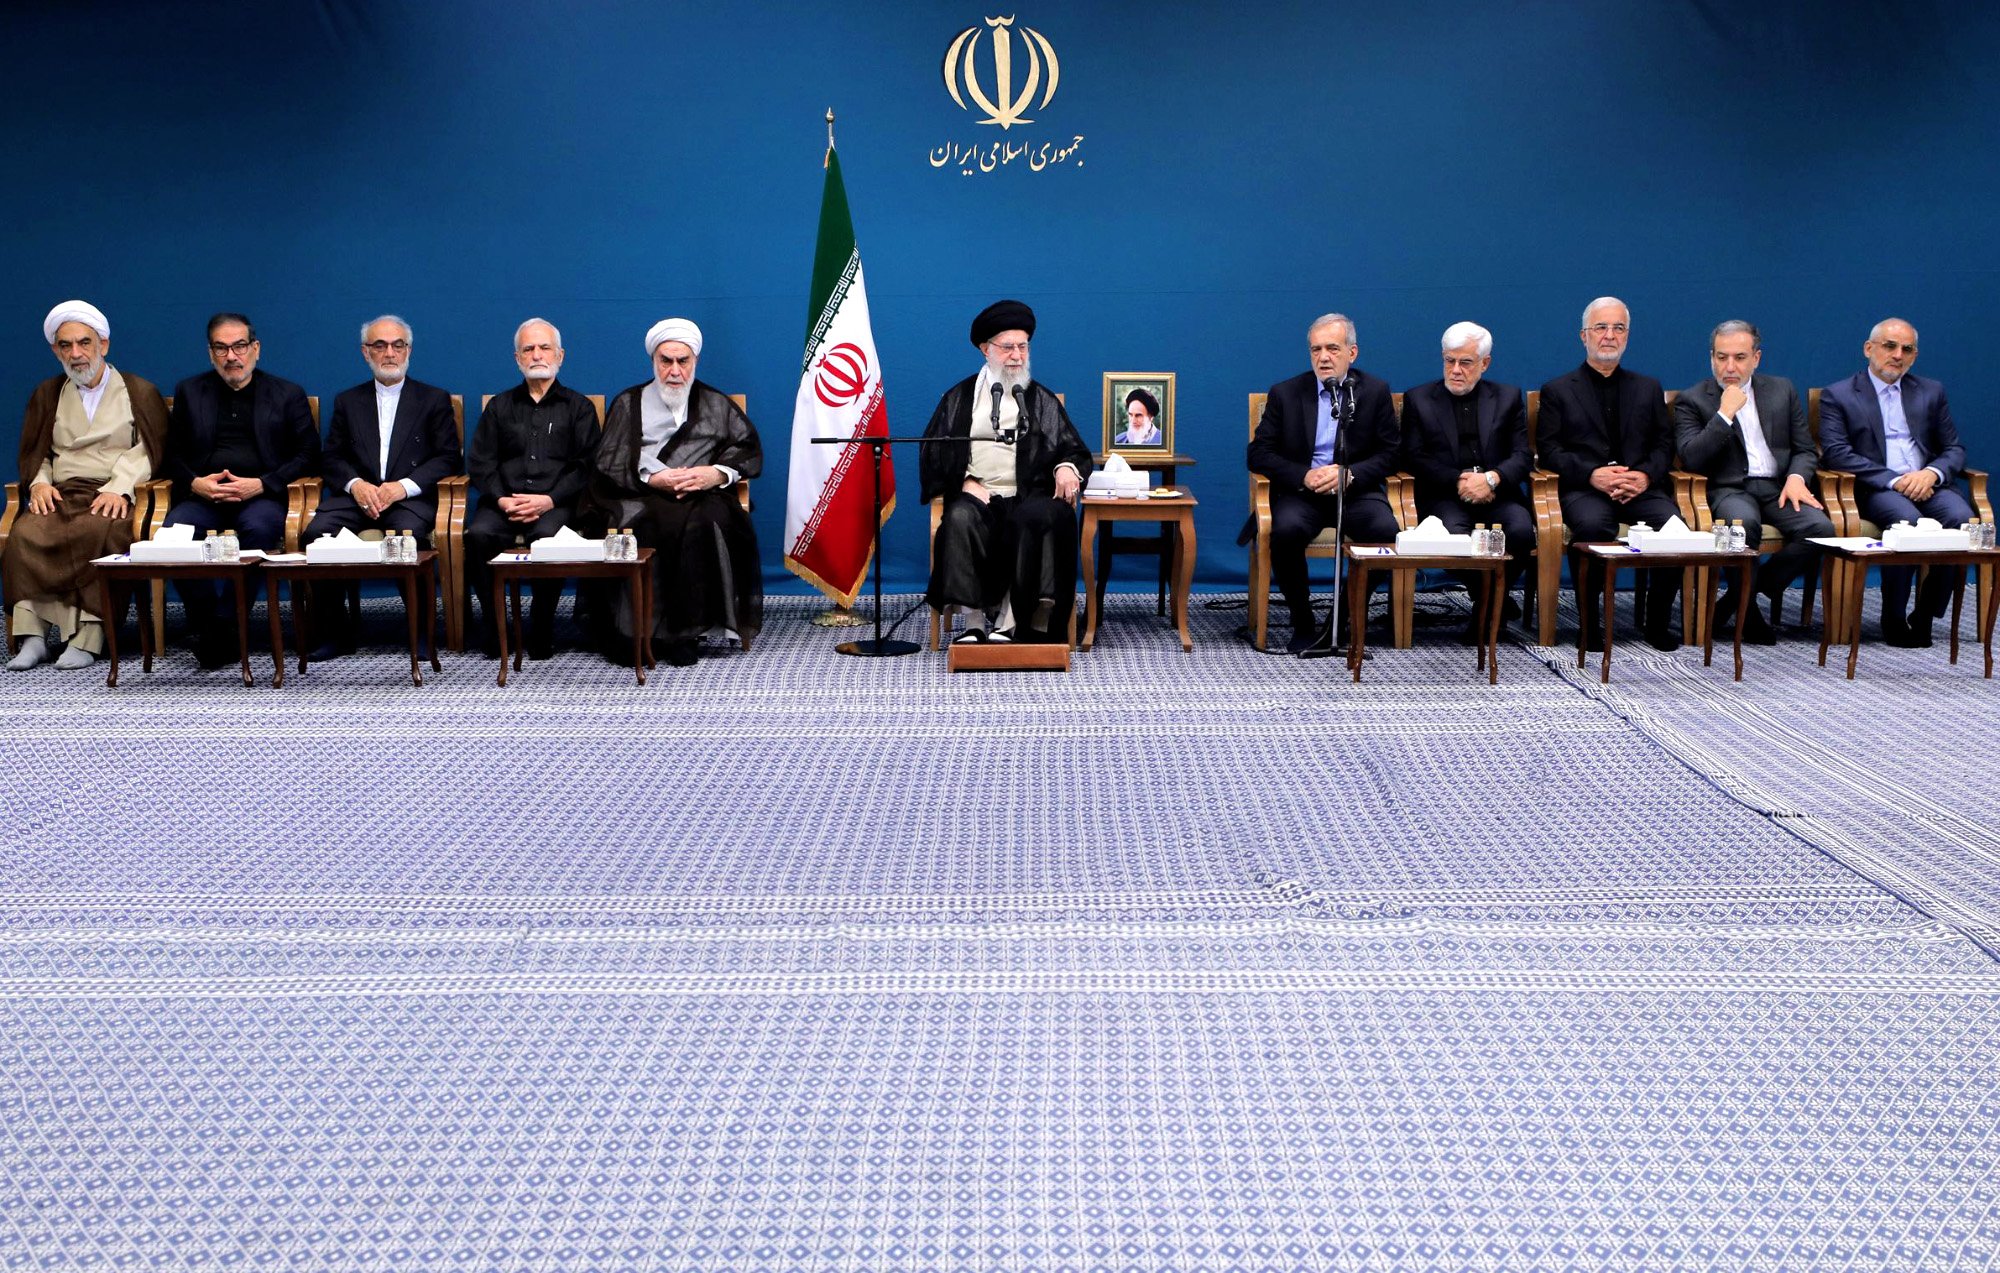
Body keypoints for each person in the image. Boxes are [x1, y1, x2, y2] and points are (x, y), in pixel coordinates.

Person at [581, 318, 762, 666]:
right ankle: (639, 631)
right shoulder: (629, 402)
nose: (675, 370)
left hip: (701, 494)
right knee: (645, 525)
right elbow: (609, 457)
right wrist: (653, 478)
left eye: (683, 361)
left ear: (695, 361)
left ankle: (687, 632)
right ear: (654, 361)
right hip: (639, 491)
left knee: (703, 522)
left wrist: (714, 473)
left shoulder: (715, 403)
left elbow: (747, 449)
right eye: (666, 361)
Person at [4, 301, 166, 671]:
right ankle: (32, 637)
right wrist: (40, 484)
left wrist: (120, 487)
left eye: (84, 343)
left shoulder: (138, 391)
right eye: (66, 346)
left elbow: (149, 450)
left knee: (101, 531)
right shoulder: (47, 394)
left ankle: (87, 638)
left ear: (103, 345)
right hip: (62, 492)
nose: (76, 354)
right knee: (26, 532)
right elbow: (37, 452)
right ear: (55, 350)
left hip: (113, 493)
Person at [919, 299, 1092, 644]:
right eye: (1008, 347)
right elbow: (932, 451)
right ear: (986, 349)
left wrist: (1067, 467)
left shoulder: (1040, 400)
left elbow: (1072, 447)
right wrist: (965, 482)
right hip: (979, 497)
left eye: (1023, 346)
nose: (1017, 355)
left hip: (1029, 495)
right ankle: (972, 623)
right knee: (959, 518)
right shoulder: (960, 398)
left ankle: (1011, 621)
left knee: (1036, 516)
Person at [160, 312, 320, 667]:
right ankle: (209, 622)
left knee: (259, 529)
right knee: (171, 536)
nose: (232, 356)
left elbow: (309, 454)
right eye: (222, 348)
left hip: (260, 496)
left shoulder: (286, 393)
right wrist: (196, 483)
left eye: (239, 346)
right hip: (206, 496)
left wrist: (262, 483)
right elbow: (171, 453)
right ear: (210, 353)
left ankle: (226, 623)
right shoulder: (190, 391)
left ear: (256, 349)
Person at [300, 315, 463, 657]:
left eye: (397, 345)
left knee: (408, 538)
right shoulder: (347, 401)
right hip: (357, 499)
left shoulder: (433, 399)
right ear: (365, 352)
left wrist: (402, 487)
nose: (389, 352)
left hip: (407, 501)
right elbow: (331, 458)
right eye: (380, 345)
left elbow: (448, 458)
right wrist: (357, 485)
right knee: (317, 533)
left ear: (408, 350)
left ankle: (421, 633)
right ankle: (335, 633)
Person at [1245, 312, 1401, 655]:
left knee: (1385, 530)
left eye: (1332, 348)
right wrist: (1303, 474)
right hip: (1304, 493)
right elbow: (1258, 454)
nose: (1323, 357)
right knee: (1283, 530)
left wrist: (1351, 473)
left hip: (1355, 492)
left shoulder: (1374, 392)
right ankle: (1303, 622)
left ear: (1352, 353)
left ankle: (1339, 621)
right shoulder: (1286, 393)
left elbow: (1391, 454)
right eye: (1316, 350)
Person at [1673, 320, 1833, 645]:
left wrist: (1798, 477)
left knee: (1821, 530)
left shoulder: (1781, 390)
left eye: (1739, 357)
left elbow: (1804, 448)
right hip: (1730, 489)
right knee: (1741, 524)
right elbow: (1692, 458)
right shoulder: (1692, 400)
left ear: (1756, 358)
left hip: (1778, 488)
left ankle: (1738, 599)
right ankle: (1749, 612)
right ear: (1711, 358)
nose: (1729, 366)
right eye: (1721, 357)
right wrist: (1724, 415)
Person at [1536, 297, 1682, 650]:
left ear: (1627, 337)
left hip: (1639, 488)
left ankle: (1657, 623)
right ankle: (1590, 626)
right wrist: (1592, 475)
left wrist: (1644, 477)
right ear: (1583, 336)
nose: (1609, 336)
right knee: (1592, 528)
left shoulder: (1647, 387)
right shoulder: (1558, 390)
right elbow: (1549, 451)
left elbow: (1664, 446)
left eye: (1618, 328)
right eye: (1601, 328)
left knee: (1675, 528)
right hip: (1585, 489)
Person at [1819, 317, 1974, 648]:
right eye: (1889, 346)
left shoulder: (1930, 391)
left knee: (1963, 522)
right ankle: (1892, 615)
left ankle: (1926, 613)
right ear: (1869, 349)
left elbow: (1953, 448)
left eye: (1907, 349)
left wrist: (1931, 473)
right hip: (1878, 488)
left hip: (1928, 483)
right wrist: (1895, 480)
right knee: (1909, 525)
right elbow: (1836, 454)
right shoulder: (1840, 394)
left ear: (1914, 356)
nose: (1897, 355)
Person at [464, 318, 601, 659]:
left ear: (560, 355)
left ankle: (541, 629)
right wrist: (502, 499)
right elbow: (481, 462)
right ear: (517, 358)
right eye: (529, 349)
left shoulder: (579, 408)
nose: (537, 355)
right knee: (478, 535)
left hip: (556, 504)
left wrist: (548, 500)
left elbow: (587, 466)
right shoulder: (499, 407)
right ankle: (497, 629)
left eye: (544, 348)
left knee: (548, 538)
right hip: (504, 503)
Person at [1398, 321, 1533, 642]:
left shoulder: (1507, 398)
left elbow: (1522, 456)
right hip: (1444, 494)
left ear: (1484, 363)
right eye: (1449, 361)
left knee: (1521, 531)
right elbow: (1412, 456)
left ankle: (1486, 608)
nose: (1455, 370)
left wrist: (1491, 478)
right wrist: (1460, 480)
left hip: (1497, 492)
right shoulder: (1419, 399)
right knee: (1453, 539)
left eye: (1465, 362)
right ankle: (1490, 604)